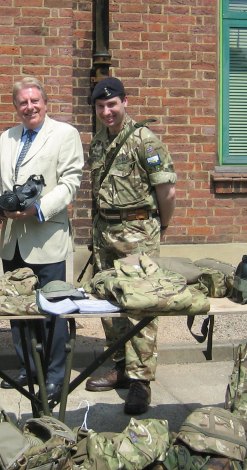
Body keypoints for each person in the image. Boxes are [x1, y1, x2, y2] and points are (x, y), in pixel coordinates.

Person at [83, 76, 177, 414]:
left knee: (141, 307)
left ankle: (141, 382)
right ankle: (121, 365)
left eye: (112, 104)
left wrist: (160, 227)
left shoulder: (144, 141)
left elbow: (167, 193)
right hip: (104, 235)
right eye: (101, 106)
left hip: (138, 235)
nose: (107, 111)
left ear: (125, 103)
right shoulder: (96, 145)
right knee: (109, 303)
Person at [0, 77, 84, 398]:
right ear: (15, 107)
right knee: (18, 310)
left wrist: (35, 210)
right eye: (22, 102)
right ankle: (29, 368)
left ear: (46, 102)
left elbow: (70, 183)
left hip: (46, 238)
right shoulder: (7, 137)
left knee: (52, 311)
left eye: (35, 101)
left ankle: (55, 374)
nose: (29, 107)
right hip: (12, 239)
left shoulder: (65, 134)